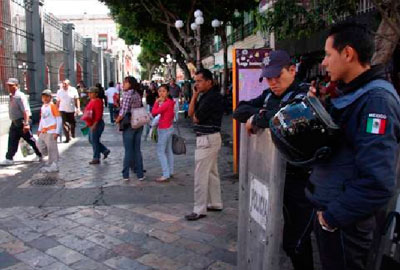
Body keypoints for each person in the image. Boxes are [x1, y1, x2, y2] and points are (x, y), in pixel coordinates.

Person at [306, 22, 400, 270]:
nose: (324, 63)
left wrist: (331, 217)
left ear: (348, 53)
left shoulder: (376, 101)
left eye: (328, 54)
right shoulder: (350, 93)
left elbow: (378, 181)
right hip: (333, 214)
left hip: (346, 223)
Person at [233, 50, 314, 270]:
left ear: (292, 70)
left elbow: (289, 118)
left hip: (302, 181)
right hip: (273, 176)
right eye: (268, 78)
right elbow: (239, 110)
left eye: (278, 76)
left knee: (296, 241)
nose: (273, 82)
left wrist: (260, 117)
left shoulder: (305, 93)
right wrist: (262, 115)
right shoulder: (270, 96)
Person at [185, 69, 224, 221]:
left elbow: (195, 118)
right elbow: (190, 113)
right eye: (196, 81)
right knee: (212, 173)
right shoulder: (206, 96)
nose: (197, 84)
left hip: (207, 139)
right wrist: (195, 95)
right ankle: (215, 202)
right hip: (210, 138)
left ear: (209, 81)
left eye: (200, 81)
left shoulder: (211, 97)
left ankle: (199, 209)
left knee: (200, 174)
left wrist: (195, 98)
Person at [0, 78, 42, 165]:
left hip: (22, 122)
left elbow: (26, 111)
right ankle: (9, 158)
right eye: (8, 85)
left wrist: (26, 124)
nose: (9, 87)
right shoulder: (12, 95)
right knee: (12, 140)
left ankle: (40, 153)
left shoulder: (20, 96)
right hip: (14, 122)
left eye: (12, 85)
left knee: (30, 139)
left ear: (17, 86)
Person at [115, 76, 145, 181]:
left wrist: (117, 120)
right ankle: (140, 173)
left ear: (130, 84)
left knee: (128, 150)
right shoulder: (137, 93)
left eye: (125, 82)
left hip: (129, 124)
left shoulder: (127, 94)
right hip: (139, 123)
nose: (123, 84)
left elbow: (123, 111)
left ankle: (125, 174)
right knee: (137, 149)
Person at [152, 84, 175, 182]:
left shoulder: (166, 103)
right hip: (169, 128)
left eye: (163, 91)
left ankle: (166, 174)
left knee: (161, 152)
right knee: (168, 151)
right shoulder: (170, 102)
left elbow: (154, 112)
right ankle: (170, 171)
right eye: (160, 91)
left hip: (164, 129)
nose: (161, 93)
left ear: (168, 93)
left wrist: (156, 102)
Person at [82, 87, 110, 165]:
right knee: (92, 140)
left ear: (96, 94)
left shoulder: (98, 102)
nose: (89, 94)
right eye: (89, 93)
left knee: (94, 140)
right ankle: (104, 150)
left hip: (97, 124)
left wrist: (94, 125)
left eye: (91, 93)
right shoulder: (91, 101)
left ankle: (96, 158)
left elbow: (98, 115)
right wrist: (87, 125)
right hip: (91, 124)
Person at [37, 89, 62, 173]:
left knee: (52, 149)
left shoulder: (53, 106)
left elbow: (59, 119)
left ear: (50, 97)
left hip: (51, 131)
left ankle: (54, 165)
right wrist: (39, 129)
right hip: (44, 131)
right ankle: (49, 158)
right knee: (39, 144)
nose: (45, 98)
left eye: (47, 97)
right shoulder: (43, 107)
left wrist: (57, 132)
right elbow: (42, 119)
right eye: (43, 97)